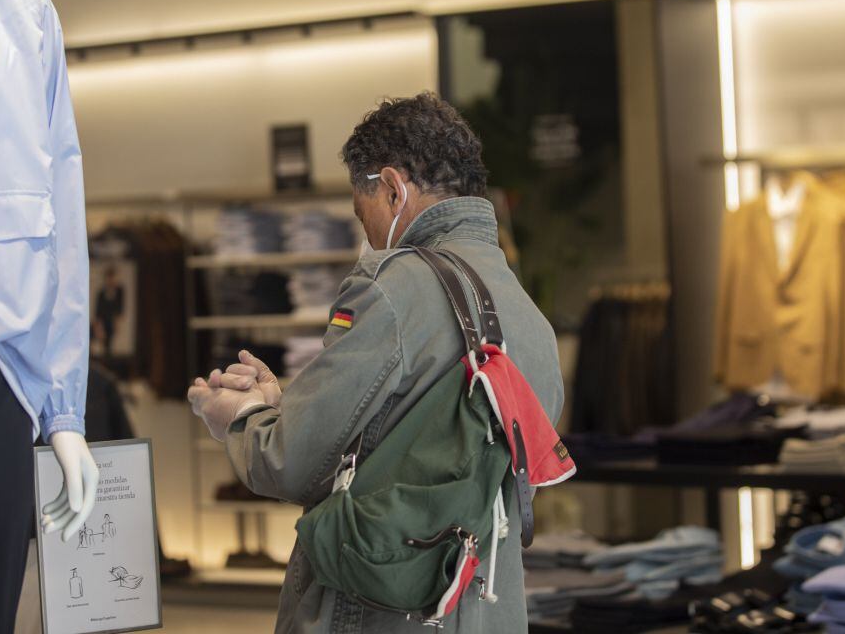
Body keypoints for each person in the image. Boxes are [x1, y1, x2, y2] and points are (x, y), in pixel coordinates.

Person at [188, 92, 564, 633]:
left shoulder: (390, 291)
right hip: (488, 611)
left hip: (378, 612)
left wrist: (239, 418)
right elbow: (404, 444)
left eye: (360, 209)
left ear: (392, 188)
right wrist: (282, 404)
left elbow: (291, 461)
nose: (365, 230)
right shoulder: (528, 316)